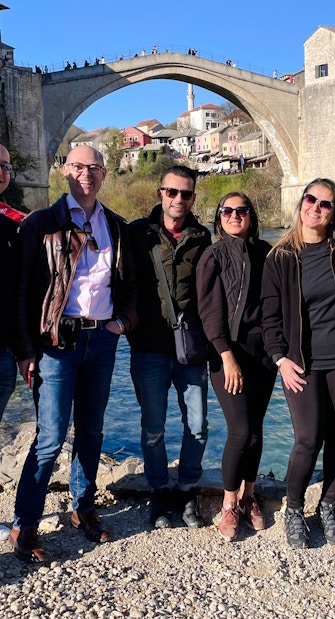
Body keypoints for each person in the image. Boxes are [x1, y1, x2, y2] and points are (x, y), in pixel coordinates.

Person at [10, 145, 137, 563]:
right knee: (49, 437)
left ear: (104, 175)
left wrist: (121, 324)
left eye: (95, 168)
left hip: (101, 341)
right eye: (79, 166)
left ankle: (84, 508)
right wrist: (26, 350)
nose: (87, 174)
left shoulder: (116, 226)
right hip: (55, 345)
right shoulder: (40, 225)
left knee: (91, 431)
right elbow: (23, 293)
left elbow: (130, 287)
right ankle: (25, 523)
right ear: (64, 171)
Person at [261, 178, 335, 549]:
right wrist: (280, 360)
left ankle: (330, 503)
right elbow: (269, 319)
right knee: (307, 438)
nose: (316, 208)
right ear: (301, 202)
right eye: (311, 199)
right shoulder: (280, 258)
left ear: (334, 212)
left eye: (326, 204)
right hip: (301, 363)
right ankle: (294, 509)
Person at [128, 166, 210, 530]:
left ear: (194, 197)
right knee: (153, 428)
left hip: (190, 349)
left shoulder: (202, 236)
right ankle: (160, 490)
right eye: (172, 192)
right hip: (148, 347)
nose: (179, 199)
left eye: (186, 194)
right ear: (160, 193)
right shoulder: (135, 234)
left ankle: (187, 487)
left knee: (197, 426)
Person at [196, 193, 277, 541]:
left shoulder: (267, 253)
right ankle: (229, 503)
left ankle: (248, 496)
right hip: (228, 351)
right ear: (219, 218)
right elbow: (208, 311)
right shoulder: (212, 255)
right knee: (240, 431)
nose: (233, 215)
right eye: (226, 211)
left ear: (250, 216)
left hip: (264, 352)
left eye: (240, 210)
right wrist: (226, 355)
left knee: (256, 430)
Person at [0, 144, 25, 423]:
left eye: (5, 166)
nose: (2, 172)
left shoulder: (12, 228)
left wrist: (22, 350)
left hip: (4, 354)